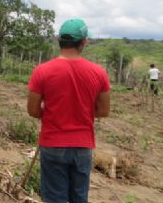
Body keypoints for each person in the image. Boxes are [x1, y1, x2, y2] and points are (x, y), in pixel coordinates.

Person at [27, 18, 111, 203]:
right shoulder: (99, 73)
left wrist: (53, 113)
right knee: (79, 198)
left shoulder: (42, 71)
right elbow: (104, 110)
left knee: (54, 198)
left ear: (59, 40)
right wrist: (81, 111)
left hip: (52, 143)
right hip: (83, 146)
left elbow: (33, 110)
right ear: (84, 42)